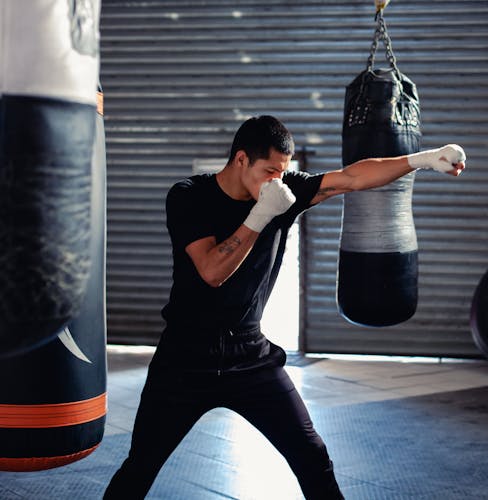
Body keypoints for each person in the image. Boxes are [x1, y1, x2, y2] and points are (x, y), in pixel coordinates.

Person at [103, 115, 466, 499]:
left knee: (312, 456)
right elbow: (212, 271)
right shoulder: (189, 196)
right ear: (240, 159)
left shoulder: (282, 190)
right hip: (184, 358)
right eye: (269, 171)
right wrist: (261, 215)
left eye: (283, 172)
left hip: (249, 356)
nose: (277, 181)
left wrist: (422, 159)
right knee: (140, 467)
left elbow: (353, 177)